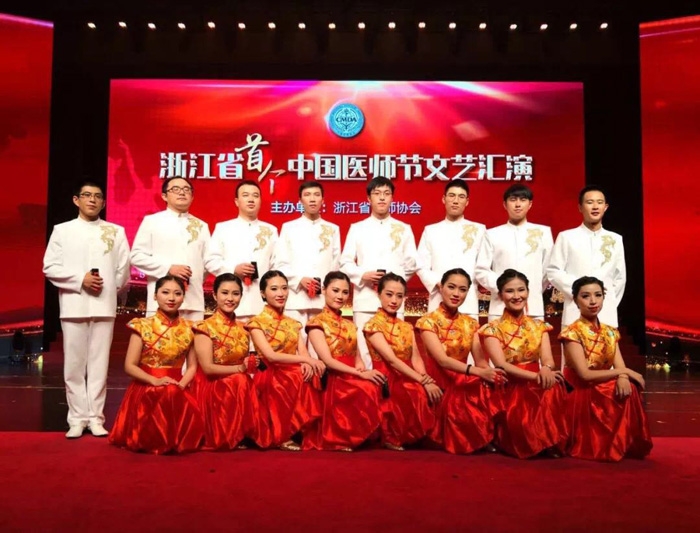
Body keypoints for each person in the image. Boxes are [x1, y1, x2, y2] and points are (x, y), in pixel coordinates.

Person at [43, 181, 130, 439]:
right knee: (74, 365)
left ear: (103, 202)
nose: (92, 200)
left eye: (98, 196)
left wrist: (108, 289)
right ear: (76, 200)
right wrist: (80, 280)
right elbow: (50, 266)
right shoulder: (63, 231)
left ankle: (96, 418)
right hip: (73, 304)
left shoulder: (116, 231)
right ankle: (77, 418)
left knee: (99, 364)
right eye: (87, 195)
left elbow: (123, 269)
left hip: (104, 305)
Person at [559, 276, 652, 461]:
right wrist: (625, 372)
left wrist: (623, 376)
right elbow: (585, 375)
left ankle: (620, 442)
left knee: (630, 388)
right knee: (622, 386)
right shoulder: (571, 333)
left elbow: (619, 365)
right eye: (585, 296)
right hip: (580, 388)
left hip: (600, 384)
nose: (593, 301)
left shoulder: (610, 332)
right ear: (575, 300)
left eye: (598, 295)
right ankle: (605, 444)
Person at [109, 276, 204, 454]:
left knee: (171, 393)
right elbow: (130, 365)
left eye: (177, 293)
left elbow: (192, 366)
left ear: (183, 297)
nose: (171, 298)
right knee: (166, 392)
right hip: (147, 386)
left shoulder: (190, 328)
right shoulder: (142, 326)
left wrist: (181, 385)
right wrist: (155, 381)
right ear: (155, 295)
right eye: (165, 292)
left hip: (177, 386)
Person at [478, 269, 568, 458]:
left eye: (521, 290)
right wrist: (536, 376)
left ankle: (549, 440)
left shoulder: (539, 326)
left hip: (537, 380)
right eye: (510, 291)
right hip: (510, 383)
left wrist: (546, 369)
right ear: (500, 295)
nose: (517, 296)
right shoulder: (492, 329)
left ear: (528, 291)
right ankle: (529, 440)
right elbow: (501, 365)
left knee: (554, 384)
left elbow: (548, 359)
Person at [416, 268, 506, 454]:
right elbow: (442, 361)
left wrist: (490, 374)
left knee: (492, 382)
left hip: (464, 376)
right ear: (441, 287)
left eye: (462, 289)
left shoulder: (470, 323)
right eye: (451, 287)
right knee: (464, 391)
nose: (456, 294)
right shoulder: (427, 322)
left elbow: (481, 361)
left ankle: (489, 435)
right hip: (439, 380)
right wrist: (479, 372)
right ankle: (473, 436)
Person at [340, 177, 418, 368]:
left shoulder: (404, 228)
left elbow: (412, 263)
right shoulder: (357, 228)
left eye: (386, 193)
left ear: (392, 198)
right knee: (364, 349)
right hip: (365, 298)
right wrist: (362, 275)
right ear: (369, 198)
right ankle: (368, 384)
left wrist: (393, 283)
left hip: (394, 301)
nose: (382, 198)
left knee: (397, 347)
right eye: (377, 194)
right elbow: (345, 262)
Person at [303, 271, 386, 451]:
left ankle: (358, 435)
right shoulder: (316, 323)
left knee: (373, 384)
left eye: (345, 292)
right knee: (363, 387)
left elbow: (357, 358)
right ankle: (339, 437)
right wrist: (359, 375)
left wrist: (363, 371)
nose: (340, 296)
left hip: (351, 374)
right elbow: (328, 361)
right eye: (335, 290)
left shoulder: (349, 325)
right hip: (333, 377)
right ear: (323, 290)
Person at [245, 270, 325, 450]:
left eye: (284, 288)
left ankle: (304, 430)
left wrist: (307, 362)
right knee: (290, 377)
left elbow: (303, 352)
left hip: (290, 370)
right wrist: (306, 361)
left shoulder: (293, 323)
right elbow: (270, 356)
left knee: (307, 374)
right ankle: (283, 434)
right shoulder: (256, 323)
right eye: (274, 289)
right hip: (269, 372)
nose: (281, 293)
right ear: (263, 293)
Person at [364, 273, 440, 450]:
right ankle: (391, 436)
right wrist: (422, 380)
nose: (394, 300)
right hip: (385, 377)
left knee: (426, 389)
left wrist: (425, 379)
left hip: (407, 374)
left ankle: (414, 435)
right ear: (379, 294)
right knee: (409, 390)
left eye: (399, 296)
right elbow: (391, 360)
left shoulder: (406, 326)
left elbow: (416, 357)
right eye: (389, 294)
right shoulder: (372, 325)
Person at [192, 273, 264, 450]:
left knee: (249, 381)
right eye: (224, 293)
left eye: (235, 293)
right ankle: (233, 433)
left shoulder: (244, 328)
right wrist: (240, 368)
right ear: (214, 295)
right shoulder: (204, 327)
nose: (230, 298)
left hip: (236, 383)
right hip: (211, 384)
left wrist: (253, 362)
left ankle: (241, 432)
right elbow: (207, 368)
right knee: (240, 380)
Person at [272, 182, 341, 350]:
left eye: (316, 195)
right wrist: (298, 280)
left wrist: (328, 288)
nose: (312, 199)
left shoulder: (332, 229)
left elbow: (336, 264)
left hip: (322, 298)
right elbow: (280, 262)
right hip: (296, 297)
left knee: (322, 347)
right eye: (307, 195)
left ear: (323, 200)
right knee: (295, 344)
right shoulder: (289, 228)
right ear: (300, 200)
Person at [130, 176, 210, 321]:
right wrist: (168, 269)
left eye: (186, 189)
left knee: (193, 336)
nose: (182, 192)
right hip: (161, 301)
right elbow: (136, 256)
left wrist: (195, 280)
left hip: (193, 300)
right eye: (176, 189)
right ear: (164, 196)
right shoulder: (152, 221)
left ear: (192, 197)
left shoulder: (201, 225)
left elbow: (207, 262)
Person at [547, 185, 626, 327]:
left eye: (599, 202)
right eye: (590, 202)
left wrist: (608, 302)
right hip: (574, 311)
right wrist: (580, 291)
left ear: (605, 207)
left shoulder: (615, 239)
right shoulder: (567, 237)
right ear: (580, 207)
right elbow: (553, 271)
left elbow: (620, 277)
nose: (595, 207)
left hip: (606, 314)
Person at [475, 184, 553, 321]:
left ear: (530, 204)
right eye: (513, 200)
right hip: (500, 307)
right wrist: (504, 288)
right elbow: (481, 270)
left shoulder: (543, 232)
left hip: (532, 307)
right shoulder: (492, 234)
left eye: (523, 199)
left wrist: (531, 290)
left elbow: (548, 269)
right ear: (505, 204)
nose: (517, 204)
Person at [206, 180, 278, 322]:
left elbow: (277, 264)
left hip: (262, 302)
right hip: (231, 302)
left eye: (255, 196)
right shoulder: (223, 228)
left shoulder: (271, 230)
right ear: (237, 201)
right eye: (245, 195)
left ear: (260, 201)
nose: (251, 199)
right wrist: (233, 269)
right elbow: (210, 260)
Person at [417, 180, 486, 318]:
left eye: (461, 197)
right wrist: (439, 283)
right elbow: (420, 265)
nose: (456, 201)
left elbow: (483, 266)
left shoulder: (479, 230)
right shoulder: (431, 231)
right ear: (444, 199)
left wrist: (466, 286)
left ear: (467, 201)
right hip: (438, 298)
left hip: (468, 301)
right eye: (452, 195)